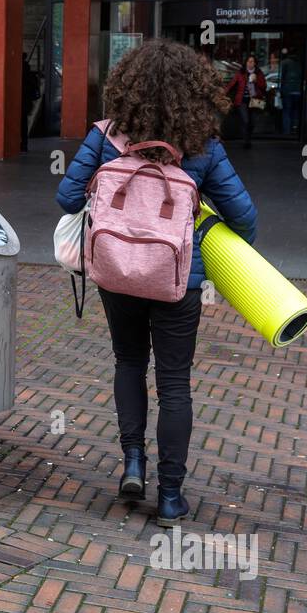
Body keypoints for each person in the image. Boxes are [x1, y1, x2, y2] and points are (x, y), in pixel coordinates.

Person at [55, 39, 258, 525]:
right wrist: (205, 237)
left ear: (127, 87)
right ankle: (170, 497)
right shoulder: (203, 149)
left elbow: (66, 198)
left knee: (128, 361)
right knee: (174, 384)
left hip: (115, 272)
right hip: (176, 283)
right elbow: (245, 218)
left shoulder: (104, 136)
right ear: (197, 93)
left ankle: (132, 464)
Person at [224, 55, 267, 149]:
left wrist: (256, 81)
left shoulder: (259, 73)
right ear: (246, 63)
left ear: (255, 63)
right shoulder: (241, 73)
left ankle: (248, 137)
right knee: (246, 120)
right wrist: (223, 92)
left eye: (252, 61)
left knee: (252, 122)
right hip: (242, 101)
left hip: (255, 101)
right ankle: (246, 141)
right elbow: (231, 84)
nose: (250, 63)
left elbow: (264, 86)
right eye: (248, 61)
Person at [279, 48, 302, 136]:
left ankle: (287, 132)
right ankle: (295, 129)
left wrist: (281, 90)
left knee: (286, 111)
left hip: (287, 90)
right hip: (298, 90)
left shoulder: (285, 62)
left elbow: (282, 77)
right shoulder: (299, 63)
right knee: (295, 110)